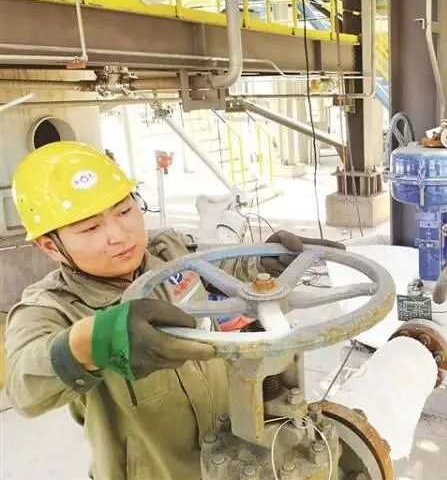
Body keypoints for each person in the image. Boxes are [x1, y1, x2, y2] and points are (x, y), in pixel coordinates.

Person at [4, 141, 342, 479]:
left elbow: (218, 268)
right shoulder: (50, 307)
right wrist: (94, 340)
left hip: (233, 455)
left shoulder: (167, 250)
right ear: (51, 246)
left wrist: (261, 264)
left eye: (124, 211)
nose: (119, 235)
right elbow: (23, 388)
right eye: (91, 228)